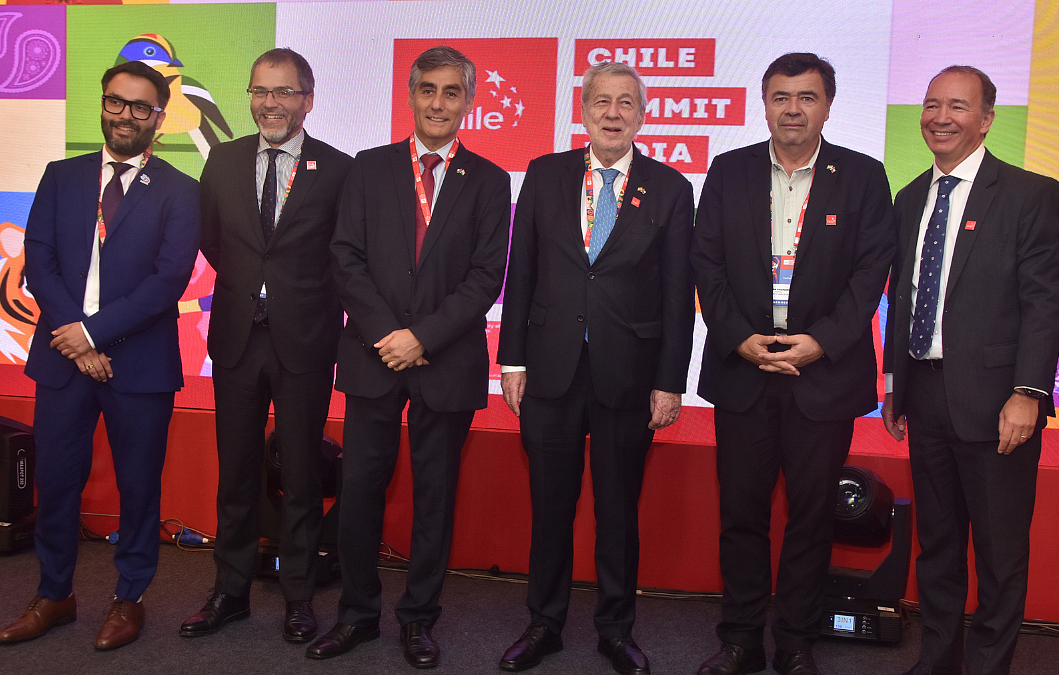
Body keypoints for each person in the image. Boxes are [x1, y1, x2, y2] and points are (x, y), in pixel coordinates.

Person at [305, 46, 510, 669]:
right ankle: (357, 614)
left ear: (469, 102)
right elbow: (345, 257)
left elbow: (484, 279)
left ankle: (419, 619)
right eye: (428, 90)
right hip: (373, 356)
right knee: (362, 489)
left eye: (452, 93)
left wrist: (421, 337)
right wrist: (388, 333)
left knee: (434, 496)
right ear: (412, 95)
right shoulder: (369, 169)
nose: (439, 103)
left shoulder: (492, 180)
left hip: (444, 362)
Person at [690, 52, 894, 675]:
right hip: (744, 368)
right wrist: (738, 338)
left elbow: (870, 274)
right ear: (765, 103)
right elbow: (706, 262)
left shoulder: (861, 175)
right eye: (782, 97)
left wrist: (821, 343)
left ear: (828, 104)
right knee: (741, 514)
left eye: (807, 97)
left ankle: (797, 640)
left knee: (810, 517)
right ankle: (741, 638)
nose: (793, 109)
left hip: (822, 375)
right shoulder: (729, 170)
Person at [496, 62, 695, 675]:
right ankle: (544, 624)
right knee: (550, 506)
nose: (614, 113)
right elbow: (521, 270)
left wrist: (669, 380)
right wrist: (511, 359)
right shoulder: (545, 173)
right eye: (602, 102)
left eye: (626, 103)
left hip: (628, 376)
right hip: (550, 370)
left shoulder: (668, 188)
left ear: (642, 114)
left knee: (617, 510)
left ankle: (616, 629)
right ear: (583, 109)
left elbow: (674, 294)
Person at [0, 61, 199, 650]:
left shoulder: (182, 191)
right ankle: (53, 594)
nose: (125, 116)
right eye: (116, 102)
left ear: (159, 119)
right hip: (63, 360)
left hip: (138, 365)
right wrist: (74, 337)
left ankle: (128, 598)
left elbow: (168, 282)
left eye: (141, 107)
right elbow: (38, 260)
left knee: (140, 487)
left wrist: (93, 336)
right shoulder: (61, 176)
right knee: (57, 483)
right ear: (103, 104)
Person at [882, 65, 1059, 675]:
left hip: (999, 403)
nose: (941, 116)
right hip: (926, 395)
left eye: (957, 106)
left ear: (986, 120)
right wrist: (894, 385)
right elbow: (905, 299)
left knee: (999, 553)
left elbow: (1045, 301)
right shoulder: (909, 199)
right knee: (936, 549)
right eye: (932, 103)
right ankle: (936, 662)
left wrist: (1029, 391)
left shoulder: (1028, 194)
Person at [180, 48, 352, 643]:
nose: (270, 104)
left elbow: (344, 256)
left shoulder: (337, 169)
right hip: (234, 337)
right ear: (249, 96)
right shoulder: (222, 161)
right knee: (237, 472)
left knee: (302, 475)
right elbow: (212, 240)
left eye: (284, 93)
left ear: (307, 99)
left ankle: (299, 597)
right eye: (260, 92)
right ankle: (229, 591)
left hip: (304, 340)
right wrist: (251, 289)